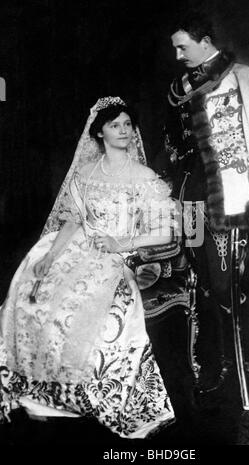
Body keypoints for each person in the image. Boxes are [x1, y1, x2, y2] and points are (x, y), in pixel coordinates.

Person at [0, 96, 176, 440]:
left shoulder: (144, 177)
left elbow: (166, 232)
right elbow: (72, 221)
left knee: (89, 309)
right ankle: (40, 393)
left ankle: (89, 392)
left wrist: (120, 244)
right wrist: (50, 257)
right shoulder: (85, 173)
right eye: (115, 125)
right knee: (34, 293)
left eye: (128, 124)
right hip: (79, 248)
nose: (124, 131)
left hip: (117, 257)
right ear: (99, 133)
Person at [158, 10, 249, 397]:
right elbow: (175, 141)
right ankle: (214, 364)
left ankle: (246, 368)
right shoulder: (179, 86)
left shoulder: (241, 77)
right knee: (199, 282)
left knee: (228, 285)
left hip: (229, 196)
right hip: (191, 195)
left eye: (183, 46)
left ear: (204, 41)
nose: (179, 54)